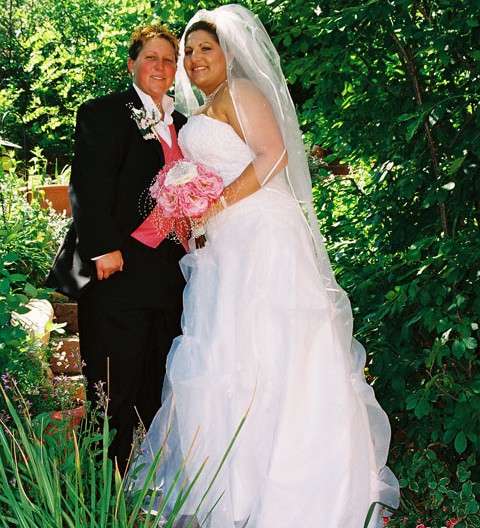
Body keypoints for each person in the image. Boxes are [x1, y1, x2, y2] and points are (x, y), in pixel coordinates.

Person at [130, 5, 399, 527]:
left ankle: (292, 496)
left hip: (262, 240)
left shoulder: (242, 92)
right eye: (188, 52)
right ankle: (230, 489)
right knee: (225, 360)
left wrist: (218, 204)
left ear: (230, 54)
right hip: (224, 249)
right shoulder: (202, 111)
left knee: (275, 357)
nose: (193, 58)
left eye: (205, 48)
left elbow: (272, 154)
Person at [47, 24, 187, 475]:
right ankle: (103, 489)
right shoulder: (103, 113)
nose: (160, 67)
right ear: (132, 64)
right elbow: (88, 185)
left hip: (170, 275)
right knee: (111, 387)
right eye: (151, 57)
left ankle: (154, 481)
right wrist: (103, 247)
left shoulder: (184, 124)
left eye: (169, 59)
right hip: (117, 273)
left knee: (159, 385)